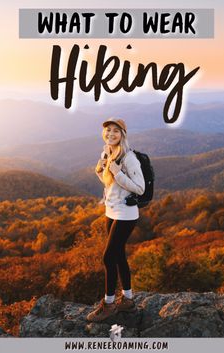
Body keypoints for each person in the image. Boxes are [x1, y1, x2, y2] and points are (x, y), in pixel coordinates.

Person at [86, 118, 145, 322]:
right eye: (108, 130)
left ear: (123, 135)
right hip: (111, 211)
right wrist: (100, 171)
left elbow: (140, 188)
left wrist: (118, 173)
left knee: (108, 258)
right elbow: (110, 183)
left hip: (126, 214)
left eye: (116, 131)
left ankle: (109, 304)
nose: (111, 134)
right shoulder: (107, 153)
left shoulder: (129, 158)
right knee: (118, 255)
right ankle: (127, 300)